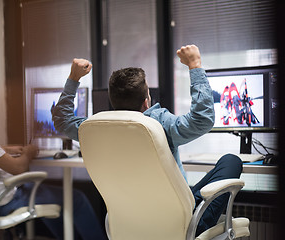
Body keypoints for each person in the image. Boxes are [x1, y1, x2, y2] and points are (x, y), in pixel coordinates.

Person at [51, 45, 243, 236]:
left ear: (113, 101)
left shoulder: (95, 128)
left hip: (128, 221)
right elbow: (202, 120)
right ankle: (198, 226)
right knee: (231, 161)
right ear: (146, 101)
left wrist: (73, 78)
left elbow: (61, 120)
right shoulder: (158, 123)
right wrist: (195, 65)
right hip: (178, 222)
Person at [0, 82, 107, 240]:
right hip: (6, 201)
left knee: (54, 203)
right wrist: (28, 153)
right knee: (76, 199)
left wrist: (8, 149)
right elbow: (18, 168)